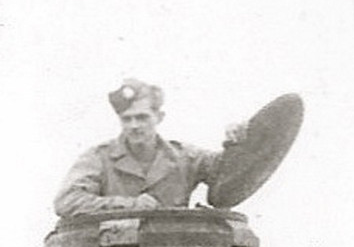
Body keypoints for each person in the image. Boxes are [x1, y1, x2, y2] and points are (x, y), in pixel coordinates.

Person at [53, 79, 242, 217]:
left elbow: (226, 173)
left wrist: (237, 142)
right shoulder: (98, 158)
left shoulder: (185, 157)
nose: (134, 125)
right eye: (127, 119)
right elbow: (67, 201)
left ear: (159, 117)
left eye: (142, 117)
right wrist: (131, 205)